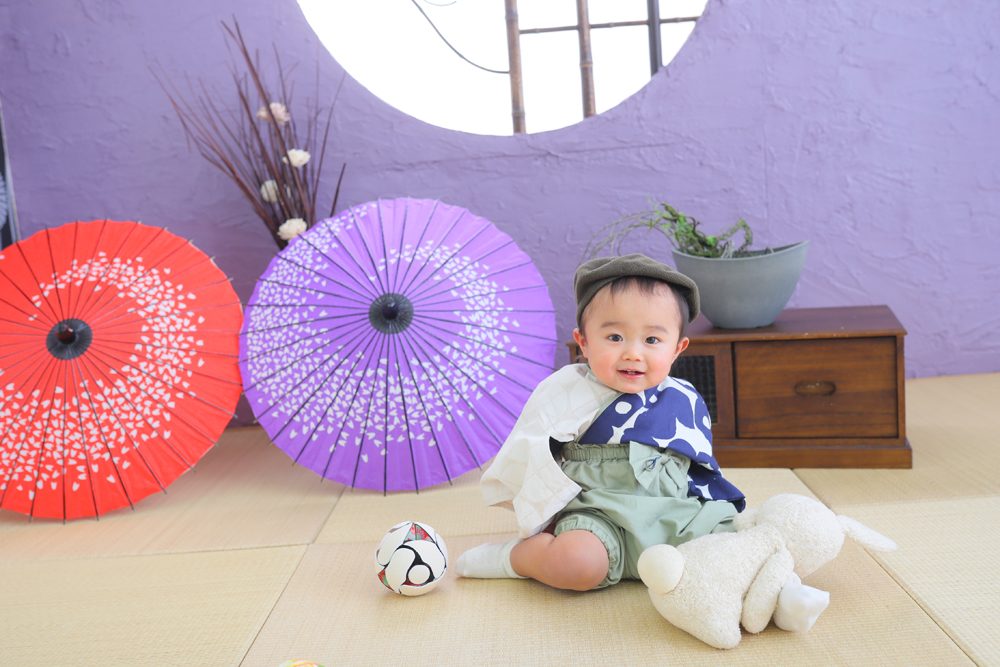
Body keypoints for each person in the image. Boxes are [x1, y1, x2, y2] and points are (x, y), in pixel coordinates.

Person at [455, 254, 829, 630]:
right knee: (577, 564)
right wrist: (543, 516)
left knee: (736, 543)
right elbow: (533, 451)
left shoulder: (682, 398)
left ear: (678, 348)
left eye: (652, 339)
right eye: (614, 337)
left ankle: (784, 595)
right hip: (600, 515)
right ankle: (516, 559)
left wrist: (714, 511)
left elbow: (699, 466)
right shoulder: (567, 391)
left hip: (675, 513)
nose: (633, 352)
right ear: (584, 341)